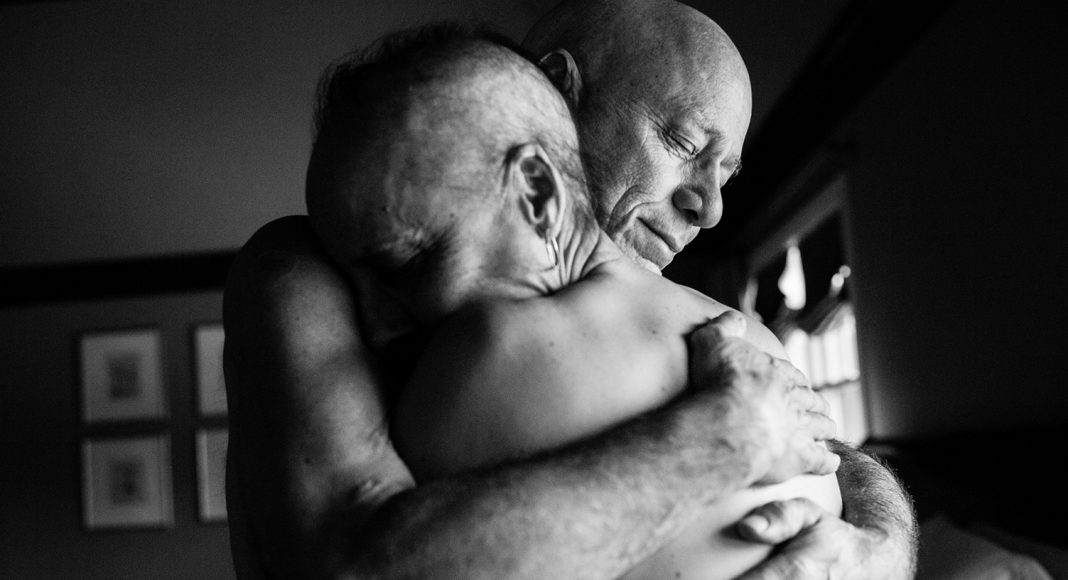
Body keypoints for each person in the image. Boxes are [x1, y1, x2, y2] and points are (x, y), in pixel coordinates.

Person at [223, 1, 917, 578]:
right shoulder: (308, 271)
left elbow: (824, 448)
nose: (710, 208)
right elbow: (356, 566)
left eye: (726, 175)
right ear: (558, 94)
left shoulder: (706, 325)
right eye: (681, 143)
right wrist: (724, 439)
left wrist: (878, 545)